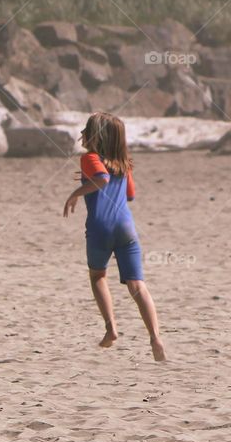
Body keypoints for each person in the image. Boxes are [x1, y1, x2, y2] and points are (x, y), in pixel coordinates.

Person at [63, 112, 166, 361]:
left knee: (98, 275)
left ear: (95, 136)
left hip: (101, 227)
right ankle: (155, 338)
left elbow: (102, 179)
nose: (81, 134)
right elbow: (129, 195)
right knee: (137, 285)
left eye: (86, 129)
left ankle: (111, 328)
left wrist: (76, 193)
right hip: (126, 227)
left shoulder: (89, 157)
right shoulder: (123, 162)